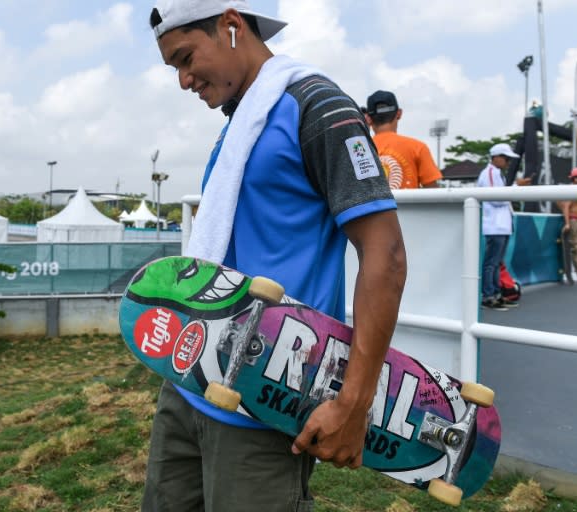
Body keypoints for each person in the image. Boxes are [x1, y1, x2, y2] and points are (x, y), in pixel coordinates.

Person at [145, 1, 407, 511]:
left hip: (264, 396)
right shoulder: (240, 125)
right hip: (189, 381)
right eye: (173, 67)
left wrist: (354, 401)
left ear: (231, 25)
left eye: (185, 58)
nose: (183, 80)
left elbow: (387, 255)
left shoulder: (317, 106)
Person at [477, 143, 527, 310]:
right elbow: (496, 198)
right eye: (505, 158)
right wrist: (516, 187)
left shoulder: (496, 173)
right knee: (491, 263)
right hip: (495, 225)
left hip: (501, 225)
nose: (507, 162)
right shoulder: (491, 173)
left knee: (496, 263)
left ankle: (496, 294)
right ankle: (488, 296)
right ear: (496, 157)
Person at [361, 90, 443, 189]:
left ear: (368, 119)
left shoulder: (360, 150)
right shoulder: (418, 147)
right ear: (399, 113)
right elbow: (433, 192)